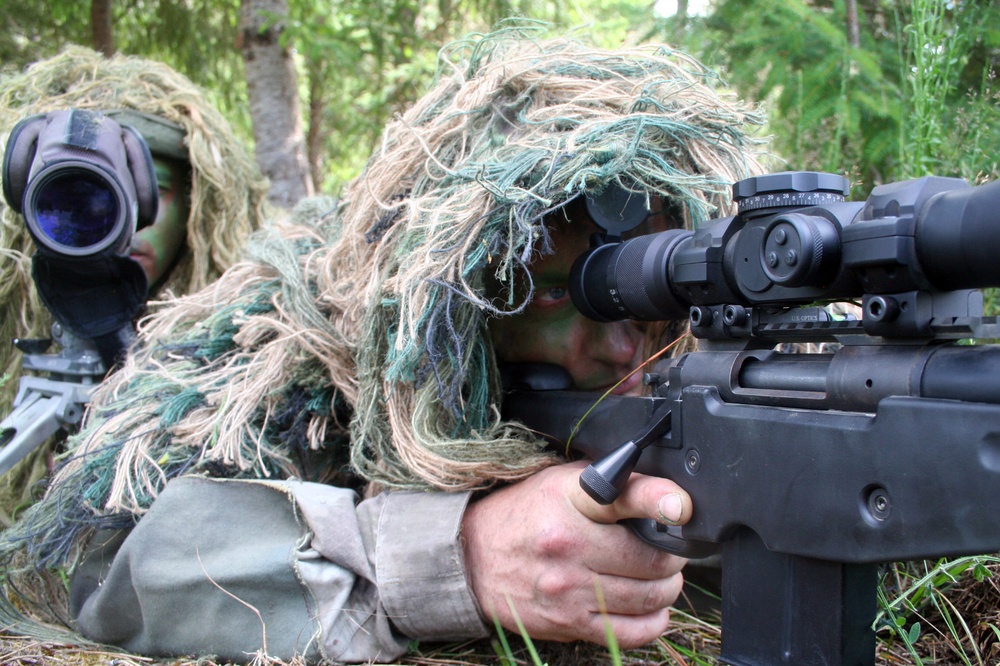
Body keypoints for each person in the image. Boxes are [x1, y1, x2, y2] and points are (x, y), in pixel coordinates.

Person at [0, 27, 764, 663]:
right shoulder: (294, 346)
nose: (630, 347)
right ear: (449, 300)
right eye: (557, 292)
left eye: (659, 292)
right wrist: (453, 556)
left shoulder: (716, 374)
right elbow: (106, 571)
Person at [0, 47, 271, 524]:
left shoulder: (255, 336)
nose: (118, 222)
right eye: (71, 196)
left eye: (150, 190)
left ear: (196, 207)